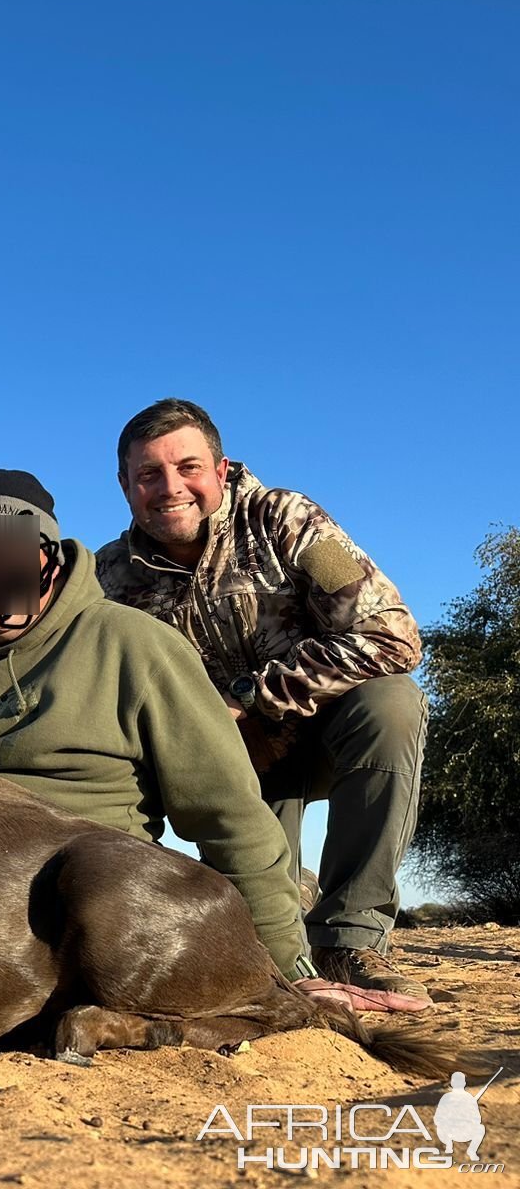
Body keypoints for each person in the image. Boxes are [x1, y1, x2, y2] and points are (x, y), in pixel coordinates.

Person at [0, 469, 310, 985]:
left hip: (85, 911)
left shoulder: (137, 645)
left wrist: (286, 968)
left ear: (52, 554)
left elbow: (230, 818)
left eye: (12, 550)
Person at [95, 399, 429, 1004]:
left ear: (222, 470)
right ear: (124, 485)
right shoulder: (106, 578)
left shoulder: (286, 520)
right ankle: (266, 956)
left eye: (189, 467)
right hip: (227, 765)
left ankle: (348, 940)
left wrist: (251, 700)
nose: (170, 489)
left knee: (393, 705)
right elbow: (34, 626)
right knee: (259, 933)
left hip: (322, 732)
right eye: (148, 475)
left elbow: (393, 636)